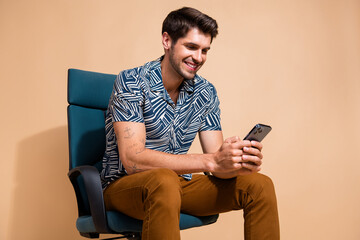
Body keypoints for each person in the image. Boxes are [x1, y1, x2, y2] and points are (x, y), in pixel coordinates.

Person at [100, 7, 279, 240]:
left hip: (177, 186)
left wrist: (234, 162)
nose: (199, 57)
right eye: (191, 47)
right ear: (167, 40)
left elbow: (215, 164)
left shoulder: (205, 92)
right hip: (126, 187)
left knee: (258, 185)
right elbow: (133, 160)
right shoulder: (131, 81)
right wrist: (212, 161)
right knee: (163, 180)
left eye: (205, 50)